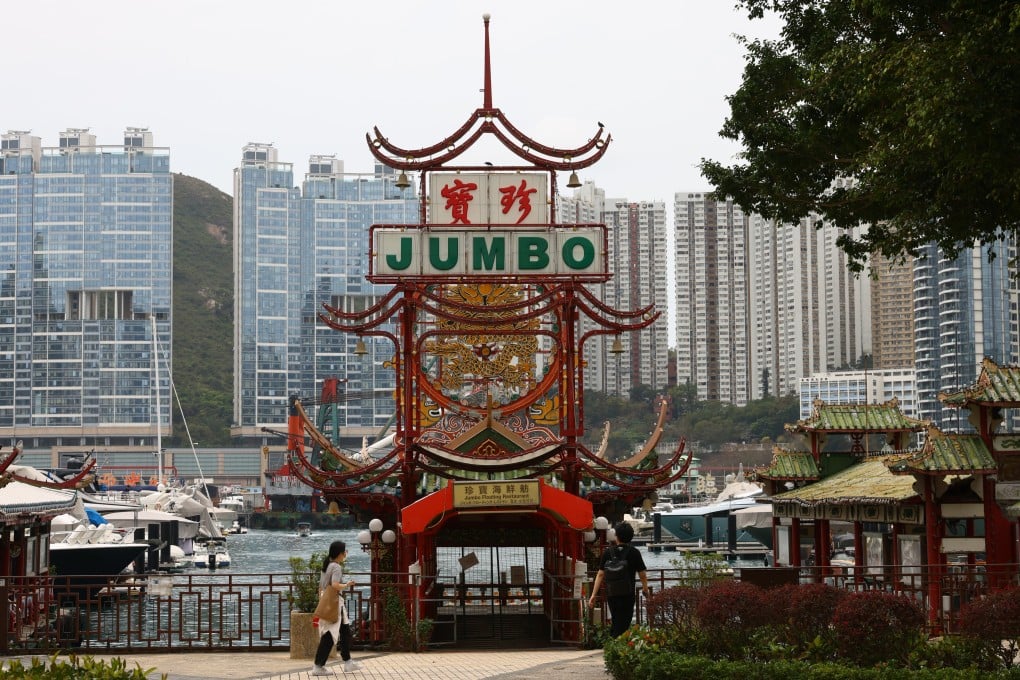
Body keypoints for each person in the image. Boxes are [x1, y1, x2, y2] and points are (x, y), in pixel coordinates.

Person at [587, 521, 650, 637]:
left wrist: (593, 595)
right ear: (631, 537)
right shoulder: (634, 553)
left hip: (612, 593)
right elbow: (642, 574)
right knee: (625, 621)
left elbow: (600, 574)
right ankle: (618, 645)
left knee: (616, 619)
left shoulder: (608, 552)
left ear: (616, 536)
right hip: (628, 593)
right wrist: (645, 589)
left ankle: (614, 643)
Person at [312, 540, 361, 676]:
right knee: (329, 635)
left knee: (345, 631)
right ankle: (318, 666)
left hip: (332, 602)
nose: (346, 554)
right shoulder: (336, 567)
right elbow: (334, 585)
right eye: (345, 551)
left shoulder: (327, 564)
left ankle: (348, 662)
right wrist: (347, 585)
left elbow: (321, 586)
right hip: (334, 603)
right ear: (340, 553)